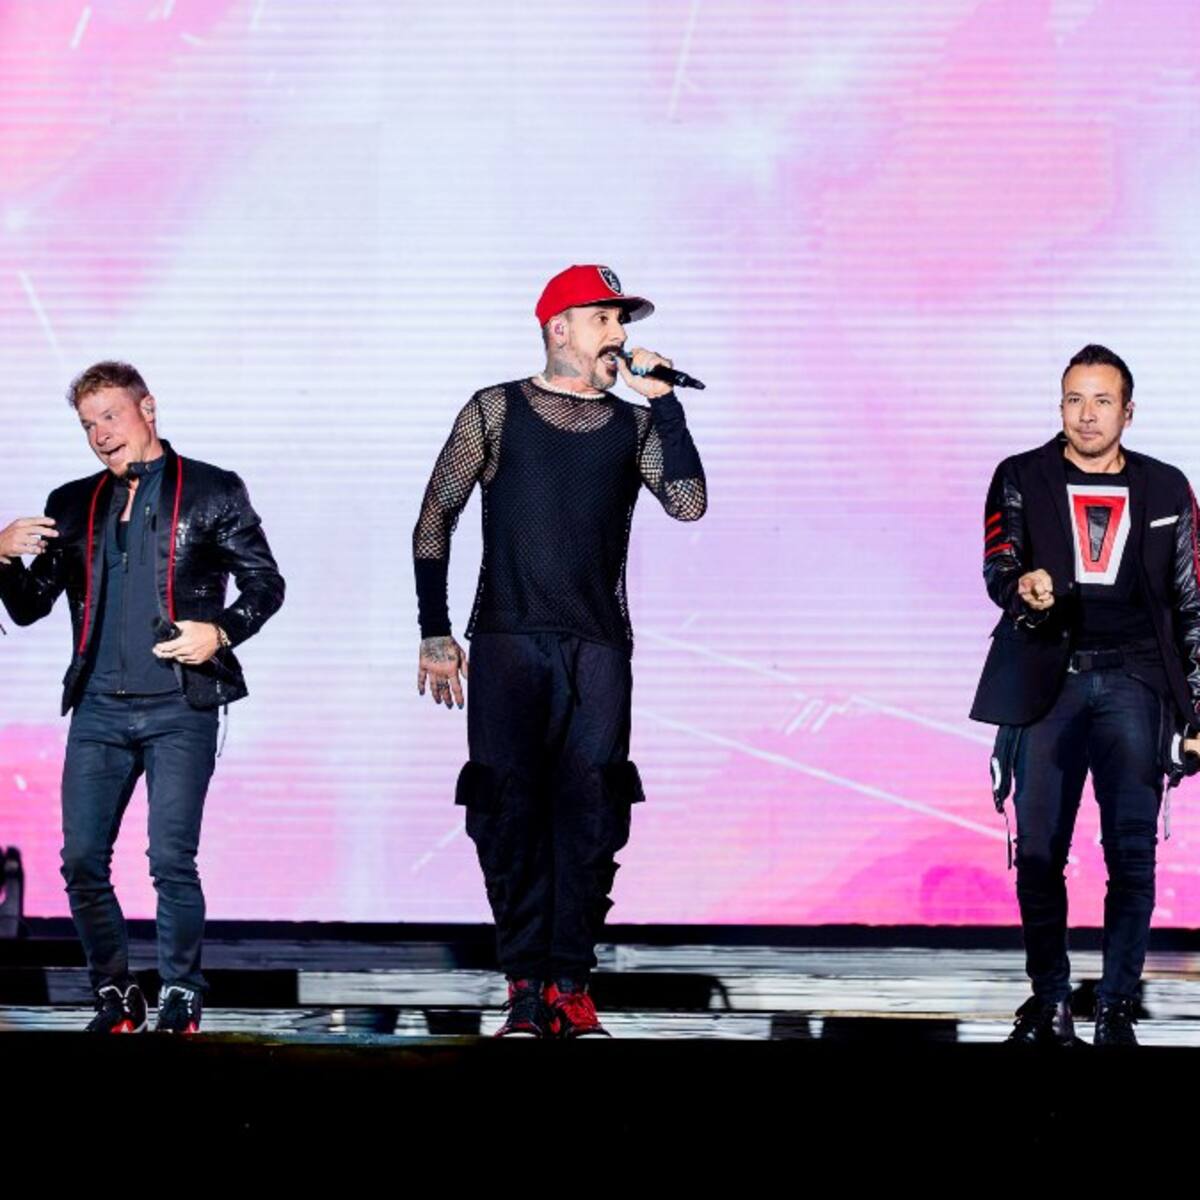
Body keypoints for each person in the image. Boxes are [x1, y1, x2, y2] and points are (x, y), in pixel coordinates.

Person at [413, 265, 707, 1037]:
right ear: (559, 328)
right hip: (508, 637)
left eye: (623, 321)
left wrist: (665, 405)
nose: (619, 335)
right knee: (507, 813)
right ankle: (523, 987)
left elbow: (688, 504)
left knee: (593, 815)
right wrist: (435, 629)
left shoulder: (633, 424)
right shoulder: (496, 409)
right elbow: (436, 515)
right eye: (605, 319)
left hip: (598, 645)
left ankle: (570, 986)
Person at [0, 361, 284, 1034]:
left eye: (111, 416)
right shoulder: (74, 502)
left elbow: (265, 583)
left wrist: (220, 631)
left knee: (170, 859)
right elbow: (31, 606)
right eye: (88, 424)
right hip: (99, 707)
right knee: (80, 861)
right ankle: (115, 991)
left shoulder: (211, 490)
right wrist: (2, 556)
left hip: (179, 705)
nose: (100, 434)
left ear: (147, 409)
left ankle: (181, 991)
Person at [970, 344, 1200, 1046]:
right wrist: (1023, 588)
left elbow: (1192, 603)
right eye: (1075, 399)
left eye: (1102, 400)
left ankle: (1117, 1006)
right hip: (1048, 678)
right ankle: (1050, 1000)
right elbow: (999, 563)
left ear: (1128, 411)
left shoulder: (1166, 488)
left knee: (1132, 853)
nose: (1087, 414)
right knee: (1039, 852)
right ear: (1060, 406)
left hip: (1137, 681)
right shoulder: (1022, 475)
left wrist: (1196, 712)